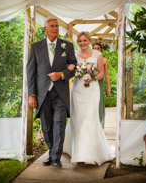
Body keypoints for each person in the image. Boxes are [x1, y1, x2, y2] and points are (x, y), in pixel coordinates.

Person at [27, 17, 77, 167]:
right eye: (52, 26)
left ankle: (55, 158)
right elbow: (31, 72)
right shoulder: (36, 47)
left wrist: (62, 74)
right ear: (45, 29)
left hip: (60, 93)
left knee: (59, 124)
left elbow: (73, 64)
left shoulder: (67, 46)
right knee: (47, 126)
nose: (55, 28)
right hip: (43, 94)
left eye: (56, 26)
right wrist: (32, 94)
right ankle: (52, 152)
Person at [63, 31, 113, 166]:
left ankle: (90, 153)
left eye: (85, 40)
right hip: (77, 90)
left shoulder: (98, 55)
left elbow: (101, 73)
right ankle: (77, 151)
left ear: (89, 41)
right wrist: (72, 70)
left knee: (90, 118)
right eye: (80, 41)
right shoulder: (73, 55)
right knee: (78, 118)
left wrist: (91, 78)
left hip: (92, 90)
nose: (82, 43)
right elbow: (70, 69)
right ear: (77, 43)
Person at [92, 42, 111, 128]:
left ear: (101, 50)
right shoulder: (90, 59)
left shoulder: (104, 60)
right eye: (94, 48)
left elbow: (106, 74)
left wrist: (109, 87)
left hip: (100, 83)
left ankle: (100, 125)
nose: (96, 50)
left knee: (99, 103)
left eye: (98, 48)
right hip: (91, 83)